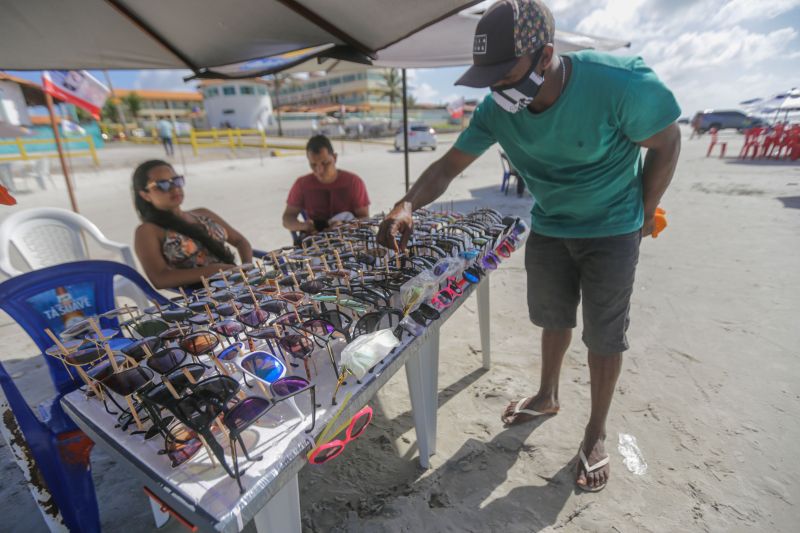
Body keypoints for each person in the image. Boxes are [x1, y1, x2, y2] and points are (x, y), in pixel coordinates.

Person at [377, 0, 681, 492]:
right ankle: (547, 394)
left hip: (612, 227)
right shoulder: (497, 111)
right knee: (551, 317)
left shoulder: (619, 83)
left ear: (545, 56)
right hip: (552, 225)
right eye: (487, 76)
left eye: (505, 72)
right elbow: (447, 166)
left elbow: (667, 142)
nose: (496, 87)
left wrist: (645, 213)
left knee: (604, 335)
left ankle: (595, 431)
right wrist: (408, 203)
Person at [132, 159, 252, 290]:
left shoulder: (203, 214)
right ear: (145, 195)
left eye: (177, 180)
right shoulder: (148, 231)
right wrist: (217, 270)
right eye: (163, 184)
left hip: (239, 284)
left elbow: (240, 241)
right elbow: (159, 278)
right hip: (205, 298)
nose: (174, 188)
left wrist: (247, 269)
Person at [282, 134, 370, 240]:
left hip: (349, 237)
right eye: (313, 165)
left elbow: (364, 218)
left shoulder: (353, 182)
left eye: (325, 163)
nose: (319, 170)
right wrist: (305, 226)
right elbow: (287, 218)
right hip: (317, 239)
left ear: (335, 158)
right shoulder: (302, 184)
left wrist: (344, 225)